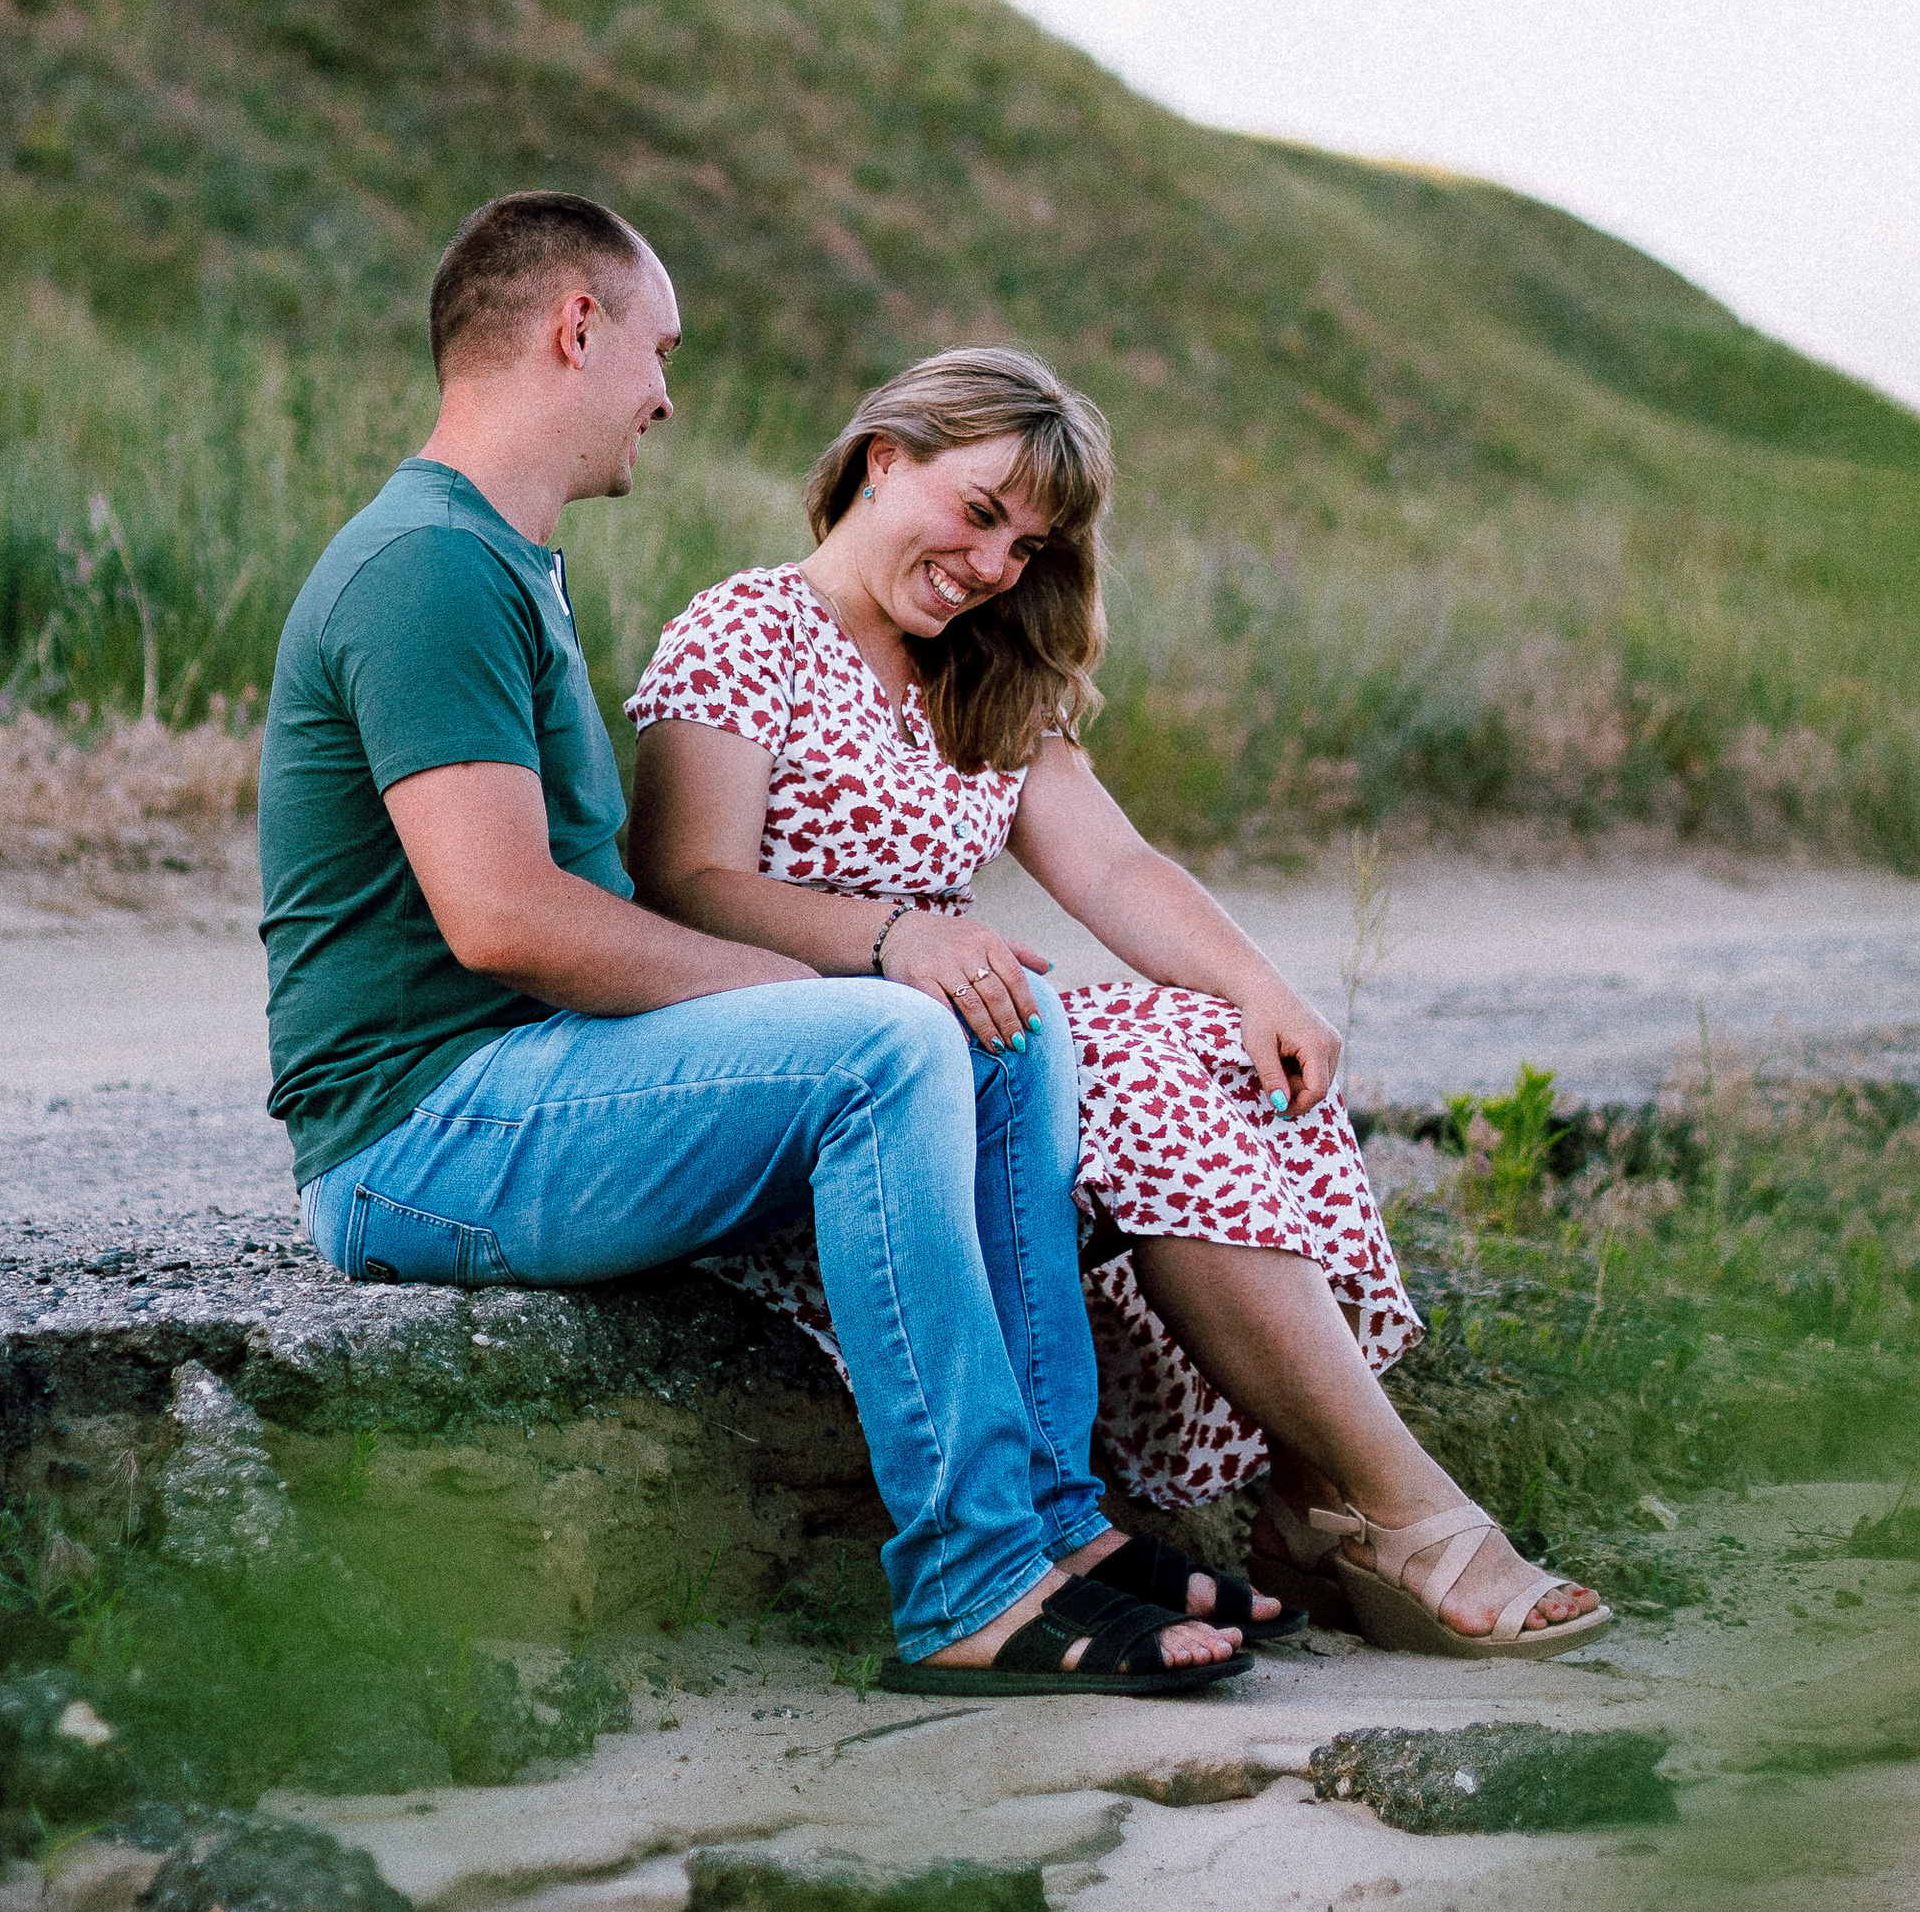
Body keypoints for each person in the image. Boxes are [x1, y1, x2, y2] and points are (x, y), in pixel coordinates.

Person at [259, 193, 1239, 1698]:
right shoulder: (428, 568)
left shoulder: (506, 560)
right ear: (573, 330)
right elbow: (505, 916)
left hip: (537, 1081)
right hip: (416, 1136)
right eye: (658, 349)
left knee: (1001, 1023)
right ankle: (972, 1584)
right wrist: (837, 989)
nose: (665, 391)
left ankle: (1054, 1527)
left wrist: (888, 985)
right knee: (897, 1032)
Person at [626, 347, 1608, 1661]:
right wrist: (893, 936)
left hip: (970, 1066)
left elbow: (1114, 865)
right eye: (981, 514)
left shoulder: (978, 670)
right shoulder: (747, 631)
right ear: (885, 459)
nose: (992, 569)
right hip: (822, 1098)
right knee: (1123, 1070)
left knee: (1216, 1043)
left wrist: (1261, 984)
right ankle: (1405, 1511)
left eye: (1027, 547)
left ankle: (1313, 1496)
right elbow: (682, 884)